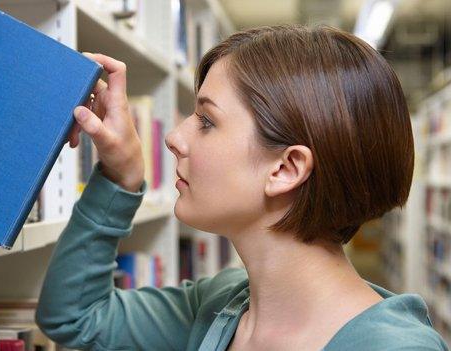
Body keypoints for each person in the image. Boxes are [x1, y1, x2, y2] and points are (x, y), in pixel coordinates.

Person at [35, 25, 448, 350]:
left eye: (207, 121)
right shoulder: (219, 308)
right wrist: (120, 176)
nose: (173, 137)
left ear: (286, 168)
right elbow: (75, 317)